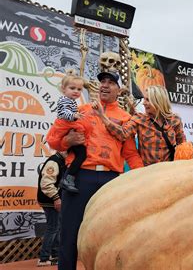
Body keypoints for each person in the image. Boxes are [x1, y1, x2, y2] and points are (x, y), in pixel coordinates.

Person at [46, 71, 144, 270]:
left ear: (119, 89)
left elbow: (131, 154)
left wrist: (143, 177)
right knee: (69, 233)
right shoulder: (80, 110)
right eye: (102, 82)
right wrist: (68, 141)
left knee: (112, 235)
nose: (105, 85)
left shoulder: (125, 118)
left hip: (111, 181)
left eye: (111, 82)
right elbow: (53, 140)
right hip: (79, 177)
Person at [92, 85, 186, 166]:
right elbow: (123, 134)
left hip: (169, 173)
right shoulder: (139, 119)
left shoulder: (175, 120)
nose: (144, 103)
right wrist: (102, 117)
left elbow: (183, 146)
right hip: (147, 175)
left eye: (148, 100)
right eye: (144, 99)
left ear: (158, 101)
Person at [52, 71, 92, 193]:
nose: (76, 91)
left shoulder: (71, 101)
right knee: (81, 154)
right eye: (72, 88)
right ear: (63, 89)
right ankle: (68, 179)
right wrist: (74, 116)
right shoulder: (65, 100)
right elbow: (64, 113)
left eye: (79, 89)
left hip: (68, 129)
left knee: (80, 154)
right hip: (65, 129)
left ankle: (67, 178)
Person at [36, 151, 66, 267]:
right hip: (49, 200)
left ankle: (55, 255)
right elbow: (46, 183)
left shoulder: (60, 160)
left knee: (56, 227)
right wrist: (56, 198)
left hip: (52, 199)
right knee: (53, 228)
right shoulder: (54, 161)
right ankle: (43, 258)